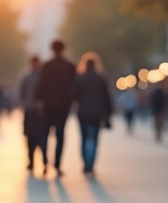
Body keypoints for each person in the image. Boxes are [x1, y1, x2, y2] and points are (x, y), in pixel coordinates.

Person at [35, 39, 77, 176]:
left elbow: (41, 85)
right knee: (60, 135)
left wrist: (40, 101)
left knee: (44, 134)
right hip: (63, 106)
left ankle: (45, 163)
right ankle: (57, 165)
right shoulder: (70, 66)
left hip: (47, 105)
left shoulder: (47, 66)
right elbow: (74, 87)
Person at [72, 53, 112, 174]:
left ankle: (85, 163)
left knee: (84, 138)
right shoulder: (101, 78)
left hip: (83, 112)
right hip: (97, 113)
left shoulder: (80, 78)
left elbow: (74, 95)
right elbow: (107, 98)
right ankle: (91, 164)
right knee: (94, 139)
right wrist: (108, 114)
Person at [17, 56, 47, 171]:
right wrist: (23, 104)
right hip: (29, 110)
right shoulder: (26, 77)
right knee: (30, 137)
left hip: (40, 112)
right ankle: (31, 160)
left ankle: (44, 161)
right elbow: (21, 92)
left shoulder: (43, 76)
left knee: (41, 137)